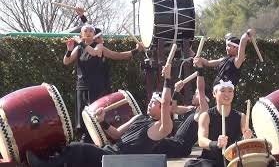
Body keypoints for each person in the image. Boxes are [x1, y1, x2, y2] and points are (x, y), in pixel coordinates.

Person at [26, 63, 174, 167]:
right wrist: (103, 121)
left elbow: (167, 103)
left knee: (78, 148)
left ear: (161, 107)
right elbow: (115, 134)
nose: (149, 103)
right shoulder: (140, 118)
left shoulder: (161, 128)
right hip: (110, 153)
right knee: (77, 155)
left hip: (120, 161)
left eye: (154, 102)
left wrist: (168, 78)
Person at [63, 24, 144, 143]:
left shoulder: (99, 46)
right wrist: (69, 50)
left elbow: (113, 55)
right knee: (82, 114)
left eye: (91, 30)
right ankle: (85, 138)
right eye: (86, 30)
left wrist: (136, 50)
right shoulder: (79, 47)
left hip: (97, 86)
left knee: (97, 113)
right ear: (82, 34)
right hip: (82, 86)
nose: (89, 32)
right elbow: (66, 61)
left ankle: (100, 139)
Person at [184, 58, 253, 167]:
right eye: (222, 91)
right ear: (214, 93)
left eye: (230, 91)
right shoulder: (206, 116)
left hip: (233, 159)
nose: (227, 94)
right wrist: (216, 144)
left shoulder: (241, 116)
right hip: (210, 159)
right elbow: (201, 140)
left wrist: (247, 138)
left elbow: (245, 142)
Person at [153, 67, 209, 158]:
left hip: (180, 147)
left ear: (204, 98)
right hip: (175, 143)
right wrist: (176, 91)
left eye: (196, 93)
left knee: (154, 142)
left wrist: (200, 70)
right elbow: (174, 109)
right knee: (153, 140)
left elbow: (201, 90)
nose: (194, 95)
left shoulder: (204, 112)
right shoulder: (191, 109)